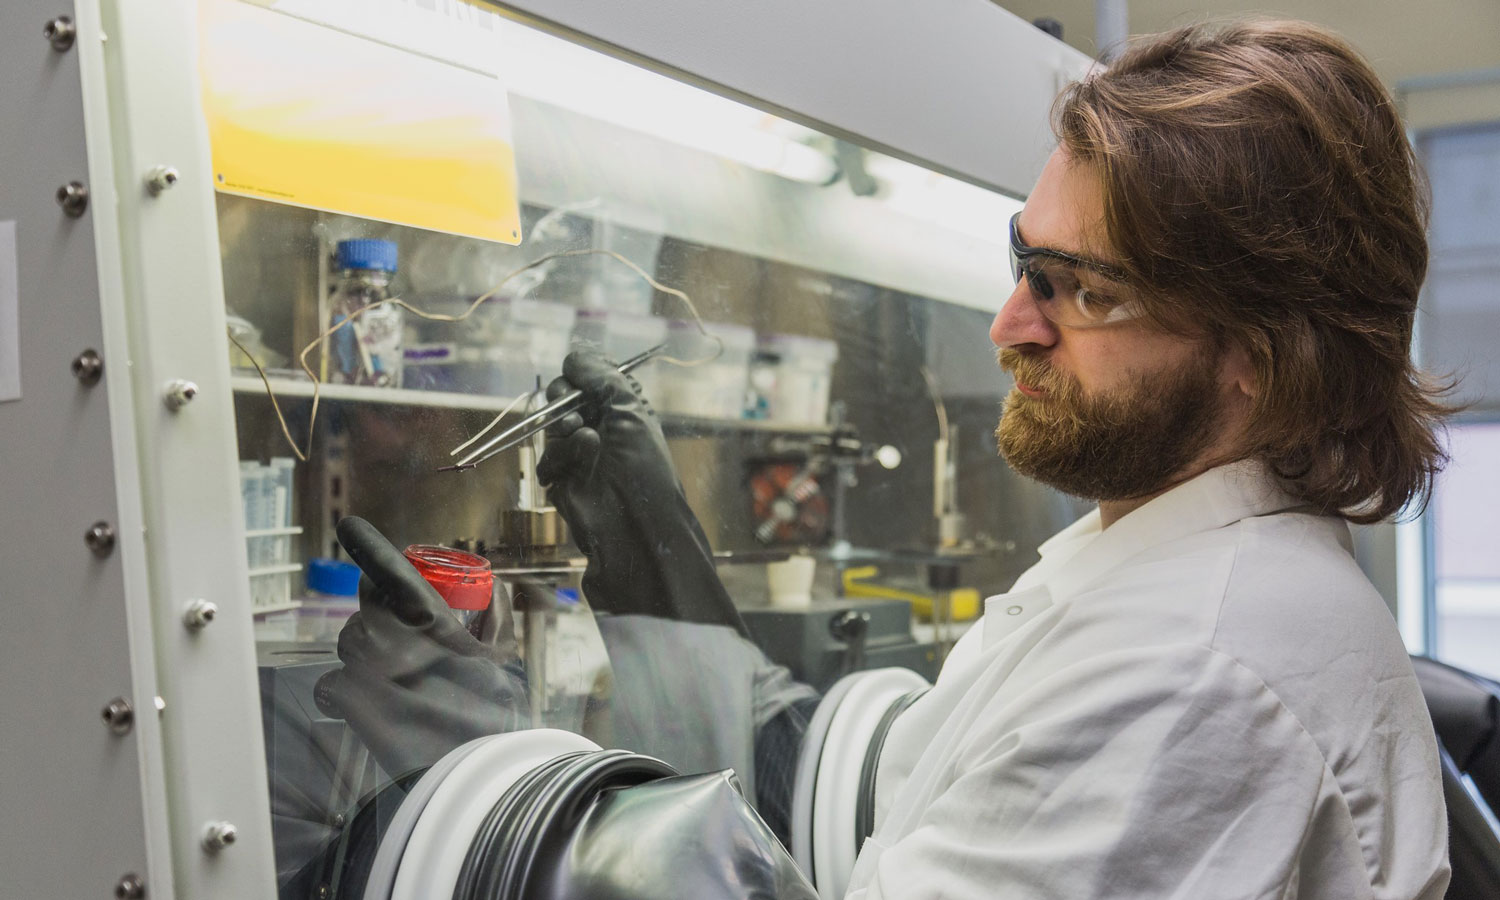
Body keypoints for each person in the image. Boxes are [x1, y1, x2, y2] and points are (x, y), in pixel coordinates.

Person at [319, 17, 1455, 899]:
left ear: (1259, 356)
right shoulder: (1156, 571)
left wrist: (500, 772)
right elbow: (898, 812)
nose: (1011, 325)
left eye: (1088, 290)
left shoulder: (1198, 672)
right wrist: (654, 565)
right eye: (1026, 259)